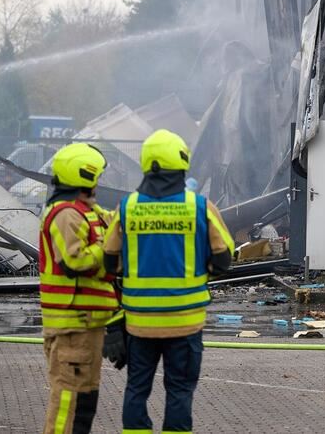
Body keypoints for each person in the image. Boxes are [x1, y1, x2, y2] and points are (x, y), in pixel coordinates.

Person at [104, 129, 234, 434]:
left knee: (137, 388)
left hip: (139, 323)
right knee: (179, 390)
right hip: (185, 323)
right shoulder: (199, 207)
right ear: (182, 161)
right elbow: (223, 258)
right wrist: (201, 272)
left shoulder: (127, 207)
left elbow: (109, 260)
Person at [39, 143, 119, 434]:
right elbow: (74, 261)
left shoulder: (88, 211)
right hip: (71, 327)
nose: (99, 183)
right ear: (85, 176)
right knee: (68, 402)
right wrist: (107, 247)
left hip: (88, 325)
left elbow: (116, 222)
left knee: (85, 401)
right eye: (97, 176)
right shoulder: (66, 214)